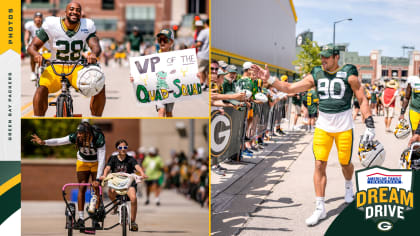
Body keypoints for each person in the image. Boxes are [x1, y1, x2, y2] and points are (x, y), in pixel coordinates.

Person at [251, 43, 374, 226]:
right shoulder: (316, 73)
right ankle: (320, 208)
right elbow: (291, 88)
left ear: (336, 57)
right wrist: (270, 80)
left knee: (345, 163)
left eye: (327, 57)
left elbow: (361, 98)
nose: (323, 60)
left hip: (344, 126)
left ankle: (349, 185)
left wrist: (369, 123)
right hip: (323, 126)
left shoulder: (349, 73)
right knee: (319, 164)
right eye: (321, 57)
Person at [27, 2, 105, 117]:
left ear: (80, 13)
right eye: (71, 9)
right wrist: (36, 55)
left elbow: (95, 45)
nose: (75, 12)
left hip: (77, 68)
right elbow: (32, 47)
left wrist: (94, 54)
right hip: (55, 66)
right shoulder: (52, 25)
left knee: (99, 85)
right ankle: (38, 118)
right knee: (41, 89)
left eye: (78, 10)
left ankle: (96, 118)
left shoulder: (86, 26)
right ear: (66, 12)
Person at [31, 121, 105, 227]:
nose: (78, 135)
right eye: (78, 133)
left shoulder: (99, 138)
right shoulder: (76, 136)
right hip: (82, 161)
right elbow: (59, 141)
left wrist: (98, 179)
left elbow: (102, 159)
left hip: (96, 162)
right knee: (82, 187)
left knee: (95, 188)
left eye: (81, 133)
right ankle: (81, 218)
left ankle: (95, 218)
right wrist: (44, 142)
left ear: (87, 133)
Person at [100, 139, 147, 232]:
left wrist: (142, 173)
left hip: (128, 183)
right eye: (120, 147)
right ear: (117, 148)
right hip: (116, 183)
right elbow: (107, 167)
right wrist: (104, 175)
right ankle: (115, 206)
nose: (123, 149)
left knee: (133, 198)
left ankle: (133, 222)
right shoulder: (113, 159)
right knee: (110, 192)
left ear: (127, 148)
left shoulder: (131, 159)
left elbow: (137, 166)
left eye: (125, 147)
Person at [24, 12, 50, 81]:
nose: (38, 19)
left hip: (45, 45)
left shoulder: (45, 25)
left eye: (39, 17)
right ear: (34, 19)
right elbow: (27, 36)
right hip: (34, 45)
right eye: (36, 17)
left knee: (49, 59)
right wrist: (26, 44)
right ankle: (33, 72)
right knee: (33, 55)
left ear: (42, 19)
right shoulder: (30, 25)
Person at [196, 19, 210, 90]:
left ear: (205, 24)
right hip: (209, 55)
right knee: (208, 72)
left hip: (202, 54)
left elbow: (199, 43)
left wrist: (192, 46)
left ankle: (201, 83)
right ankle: (207, 85)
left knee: (201, 70)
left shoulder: (204, 32)